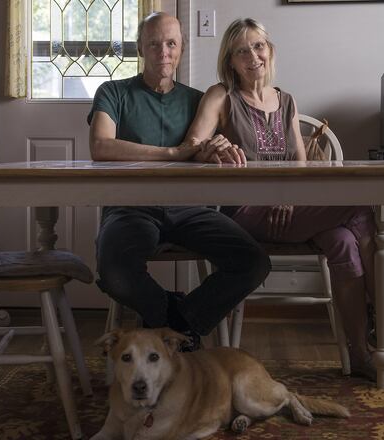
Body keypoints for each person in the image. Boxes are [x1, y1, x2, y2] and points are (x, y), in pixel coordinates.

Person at [185, 17, 384, 383]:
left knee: (343, 243)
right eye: (241, 51)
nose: (252, 56)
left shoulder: (287, 101)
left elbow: (302, 167)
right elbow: (194, 146)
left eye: (258, 46)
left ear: (269, 51)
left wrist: (290, 197)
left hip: (292, 210)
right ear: (230, 61)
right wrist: (212, 148)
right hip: (243, 213)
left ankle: (358, 354)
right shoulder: (220, 95)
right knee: (359, 207)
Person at [87, 12, 270, 349]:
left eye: (171, 43)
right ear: (141, 48)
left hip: (190, 209)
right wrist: (172, 154)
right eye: (154, 44)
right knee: (113, 270)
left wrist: (216, 148)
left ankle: (182, 320)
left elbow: (204, 151)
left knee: (254, 262)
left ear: (182, 48)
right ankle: (170, 315)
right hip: (130, 208)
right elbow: (101, 146)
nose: (164, 52)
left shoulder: (197, 100)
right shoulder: (113, 92)